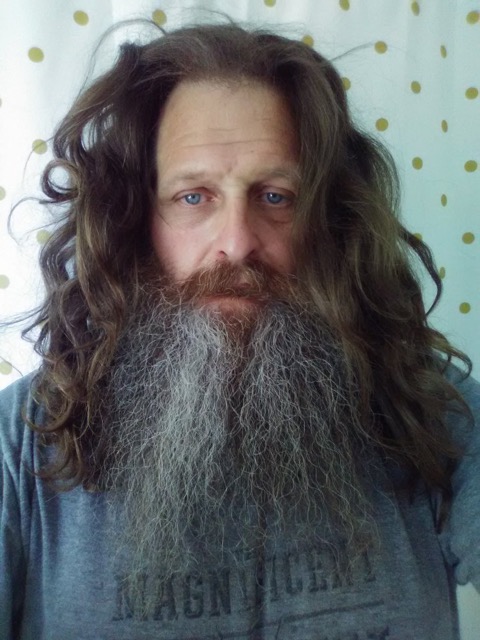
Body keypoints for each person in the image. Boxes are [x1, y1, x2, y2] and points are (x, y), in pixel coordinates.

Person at [1, 22, 479, 640]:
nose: (237, 242)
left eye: (276, 196)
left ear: (328, 220)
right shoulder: (22, 444)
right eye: (193, 197)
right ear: (135, 220)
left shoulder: (429, 409)